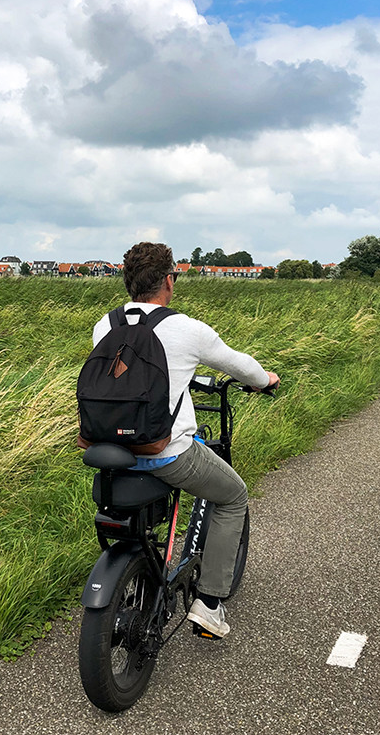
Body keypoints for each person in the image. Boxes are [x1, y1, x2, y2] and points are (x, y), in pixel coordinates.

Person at [91, 242, 279, 638]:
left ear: (128, 282)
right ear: (169, 282)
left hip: (110, 449)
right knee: (233, 495)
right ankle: (209, 605)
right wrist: (266, 381)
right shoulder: (188, 330)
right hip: (165, 453)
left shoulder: (104, 325)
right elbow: (241, 365)